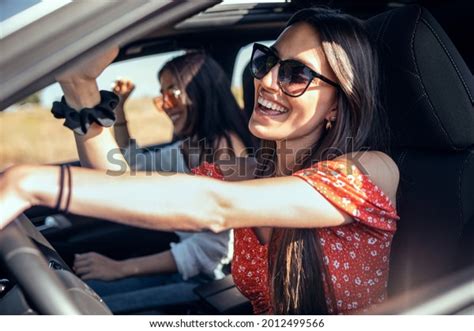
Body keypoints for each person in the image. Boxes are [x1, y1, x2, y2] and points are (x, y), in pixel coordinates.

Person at [0, 8, 400, 315]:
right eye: (267, 62)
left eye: (296, 74)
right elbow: (114, 179)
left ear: (339, 103)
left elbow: (213, 205)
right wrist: (80, 86)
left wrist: (27, 180)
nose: (267, 81)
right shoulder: (250, 173)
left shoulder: (370, 170)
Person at [71, 52, 257, 313]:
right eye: (161, 97)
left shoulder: (227, 151)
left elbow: (212, 250)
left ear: (201, 92)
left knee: (97, 310)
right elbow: (125, 169)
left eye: (173, 94)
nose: (166, 105)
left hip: (216, 282)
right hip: (188, 269)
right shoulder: (188, 147)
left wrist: (118, 268)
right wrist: (120, 110)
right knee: (86, 296)